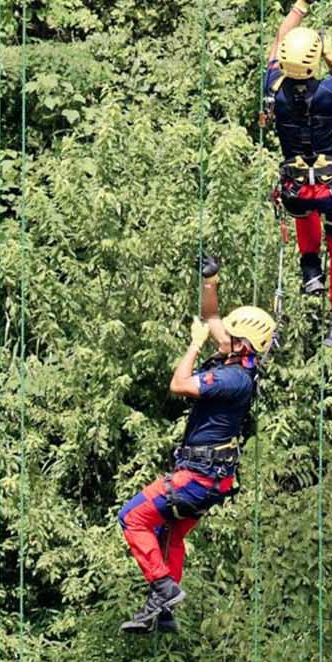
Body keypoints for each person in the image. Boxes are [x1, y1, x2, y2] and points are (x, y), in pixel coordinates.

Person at [117, 256, 276, 633]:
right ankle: (164, 615)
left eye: (232, 339)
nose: (225, 341)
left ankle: (162, 587)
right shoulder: (240, 361)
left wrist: (193, 346)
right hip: (209, 477)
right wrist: (210, 281)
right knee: (168, 532)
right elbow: (212, 318)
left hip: (199, 476)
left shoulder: (233, 378)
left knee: (133, 517)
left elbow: (179, 385)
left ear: (244, 345)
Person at [263, 0, 332, 350]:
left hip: (296, 189)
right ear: (314, 60)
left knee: (303, 208)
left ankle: (309, 271)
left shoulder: (273, 87)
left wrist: (302, 3)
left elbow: (278, 40)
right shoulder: (330, 91)